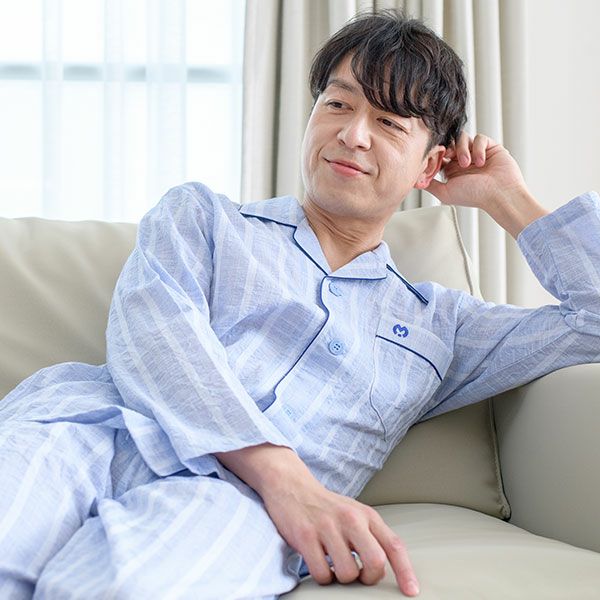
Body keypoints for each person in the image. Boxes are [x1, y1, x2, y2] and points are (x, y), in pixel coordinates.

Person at [1, 9, 599, 599]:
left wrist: (508, 200)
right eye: (337, 104)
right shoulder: (203, 218)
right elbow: (158, 332)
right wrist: (288, 479)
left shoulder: (444, 326)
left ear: (431, 164)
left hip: (235, 506)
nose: (353, 134)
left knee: (128, 589)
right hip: (84, 432)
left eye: (389, 122)